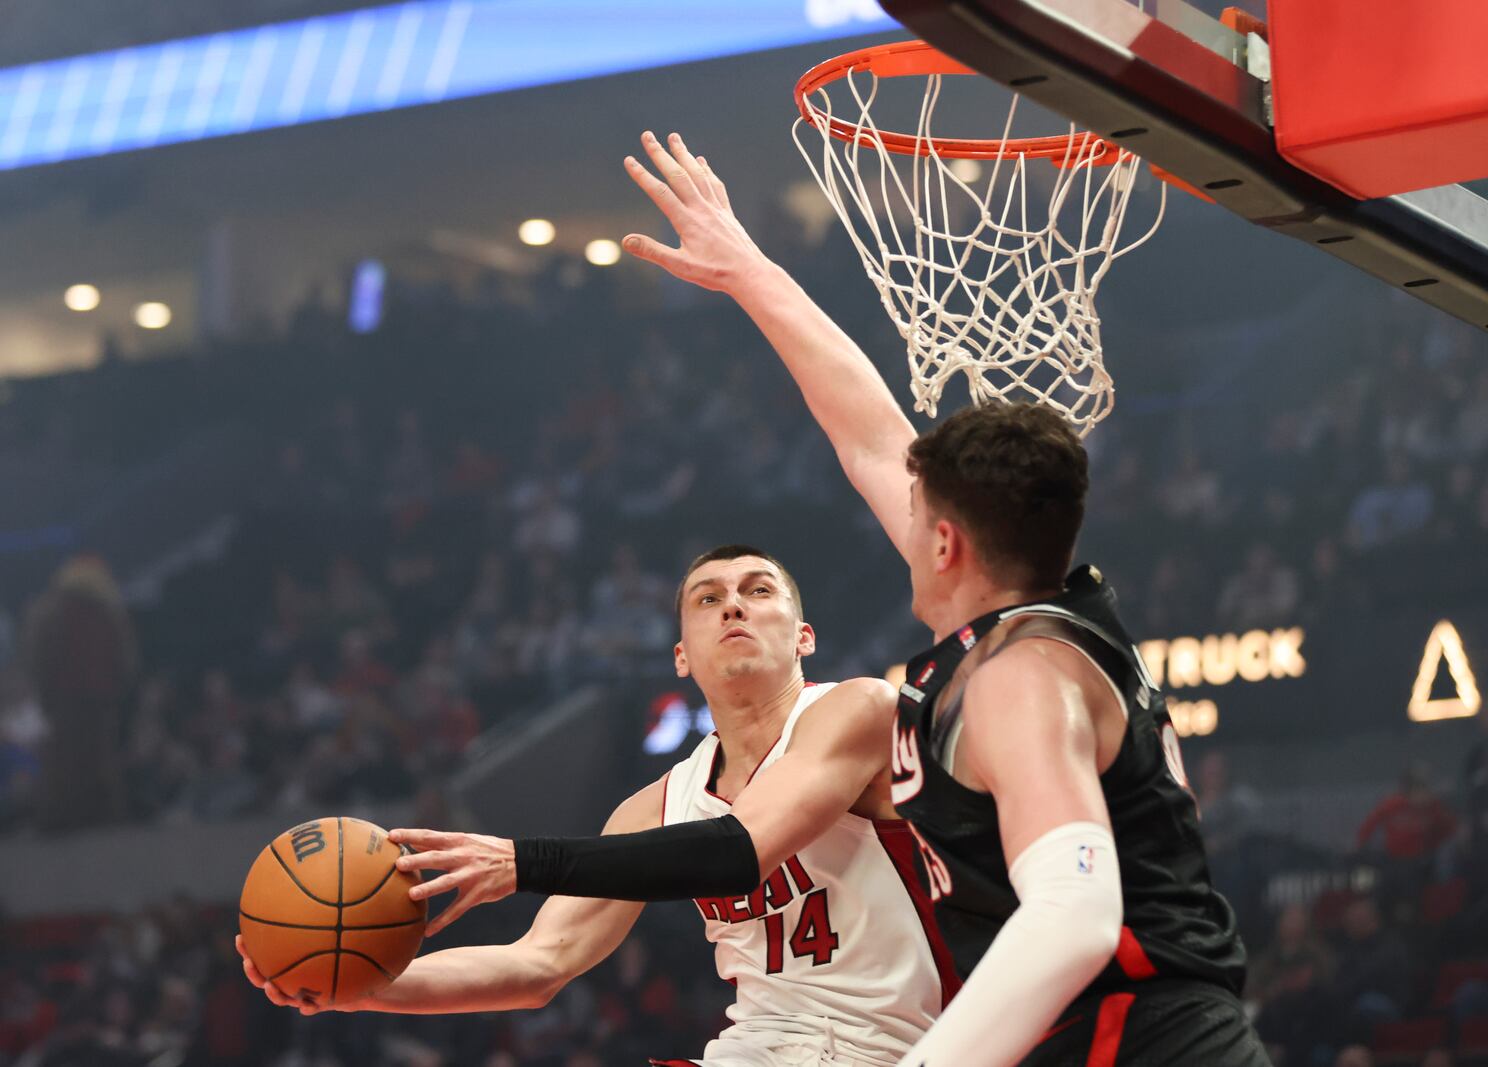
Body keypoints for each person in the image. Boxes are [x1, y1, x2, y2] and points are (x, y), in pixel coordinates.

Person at [619, 131, 1268, 1065]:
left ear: (946, 539)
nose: (896, 505)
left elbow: (1075, 916)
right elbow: (870, 437)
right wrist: (750, 272)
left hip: (1142, 1038)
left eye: (915, 508)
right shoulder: (1038, 619)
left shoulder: (1021, 675)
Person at [239, 544, 955, 1067]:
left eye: (758, 589)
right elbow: (539, 963)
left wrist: (522, 860)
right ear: (681, 655)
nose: (733, 602)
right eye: (707, 597)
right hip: (757, 1049)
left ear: (804, 637)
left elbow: (735, 851)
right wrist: (358, 987)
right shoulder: (658, 803)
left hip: (906, 1046)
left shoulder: (859, 709)